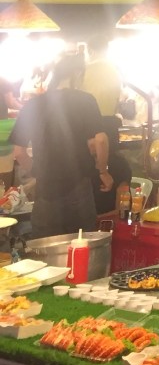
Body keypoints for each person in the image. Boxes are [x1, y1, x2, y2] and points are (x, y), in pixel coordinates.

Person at [10, 53, 112, 237]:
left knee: (45, 247)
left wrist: (38, 172)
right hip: (79, 188)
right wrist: (103, 171)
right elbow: (100, 140)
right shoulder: (85, 99)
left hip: (46, 192)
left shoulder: (33, 104)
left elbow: (18, 152)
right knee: (81, 244)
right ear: (77, 73)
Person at [91, 115, 133, 217]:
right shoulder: (84, 163)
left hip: (107, 222)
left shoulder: (120, 165)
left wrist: (95, 220)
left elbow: (122, 208)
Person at [80, 37, 122, 117]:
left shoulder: (85, 70)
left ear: (90, 51)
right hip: (108, 120)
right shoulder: (115, 70)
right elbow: (117, 98)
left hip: (88, 119)